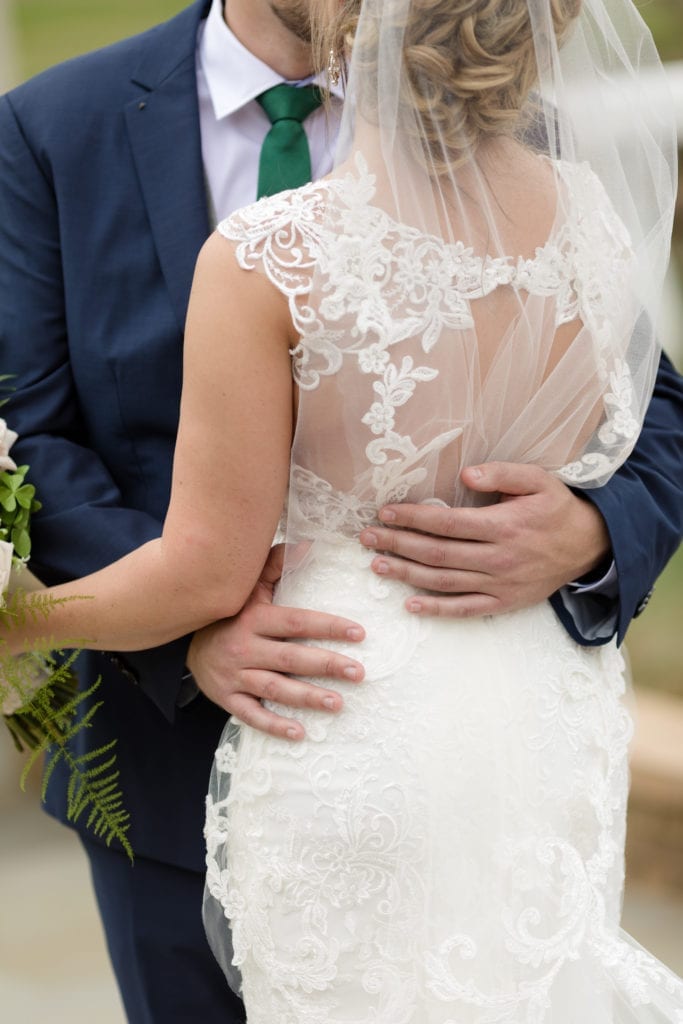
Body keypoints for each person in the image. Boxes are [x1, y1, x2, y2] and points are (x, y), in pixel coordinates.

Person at [0, 0, 681, 1020]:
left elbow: (651, 404)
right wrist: (190, 633)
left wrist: (589, 530)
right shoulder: (53, 122)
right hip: (181, 752)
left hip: (457, 753)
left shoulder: (299, 235)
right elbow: (34, 424)